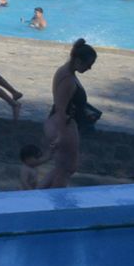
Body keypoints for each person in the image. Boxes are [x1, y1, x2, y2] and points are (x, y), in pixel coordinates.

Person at [43, 38, 98, 188]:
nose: (90, 68)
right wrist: (61, 135)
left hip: (62, 122)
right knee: (66, 168)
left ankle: (38, 195)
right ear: (79, 60)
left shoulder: (66, 71)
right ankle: (56, 204)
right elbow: (61, 108)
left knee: (62, 168)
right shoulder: (68, 80)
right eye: (89, 64)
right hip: (63, 124)